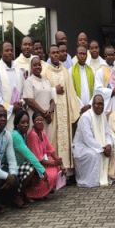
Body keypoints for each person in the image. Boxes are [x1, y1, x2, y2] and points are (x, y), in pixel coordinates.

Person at [42, 45, 80, 174]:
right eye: (53, 53)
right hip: (53, 113)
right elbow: (42, 91)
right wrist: (54, 90)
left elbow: (71, 91)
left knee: (65, 141)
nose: (56, 55)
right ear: (49, 54)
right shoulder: (45, 71)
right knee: (53, 140)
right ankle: (55, 171)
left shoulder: (64, 71)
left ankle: (67, 173)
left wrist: (74, 109)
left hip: (64, 112)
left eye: (58, 52)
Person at [73, 95, 115, 187]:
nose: (100, 106)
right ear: (92, 105)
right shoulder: (86, 117)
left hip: (98, 146)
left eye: (102, 104)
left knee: (113, 151)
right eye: (98, 104)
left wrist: (108, 145)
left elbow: (107, 133)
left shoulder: (103, 115)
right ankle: (91, 181)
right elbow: (87, 139)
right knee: (95, 155)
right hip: (82, 147)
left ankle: (105, 176)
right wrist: (102, 148)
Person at [11, 110, 46, 206]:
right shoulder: (15, 136)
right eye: (22, 122)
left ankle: (24, 193)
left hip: (19, 165)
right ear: (16, 124)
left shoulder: (22, 134)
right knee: (32, 168)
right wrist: (42, 170)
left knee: (34, 168)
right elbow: (29, 155)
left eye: (27, 122)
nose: (26, 125)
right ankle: (18, 194)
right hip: (10, 168)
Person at [0, 41, 24, 130]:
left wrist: (21, 102)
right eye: (6, 50)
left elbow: (23, 91)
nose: (10, 53)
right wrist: (11, 107)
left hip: (19, 115)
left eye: (11, 50)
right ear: (1, 52)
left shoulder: (18, 70)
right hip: (5, 117)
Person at [26, 112, 62, 199]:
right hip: (36, 165)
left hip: (43, 161)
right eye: (37, 120)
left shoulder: (43, 132)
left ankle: (48, 188)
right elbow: (39, 160)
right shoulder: (33, 135)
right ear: (33, 122)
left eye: (41, 120)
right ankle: (37, 192)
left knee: (58, 168)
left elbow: (51, 149)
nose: (39, 122)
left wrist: (60, 163)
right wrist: (55, 163)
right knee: (52, 172)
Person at [23, 56, 56, 140]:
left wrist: (49, 112)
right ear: (31, 67)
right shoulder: (28, 81)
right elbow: (30, 101)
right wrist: (44, 114)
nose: (37, 67)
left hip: (47, 119)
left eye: (39, 65)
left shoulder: (46, 81)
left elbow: (52, 100)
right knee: (36, 143)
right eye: (35, 65)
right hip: (35, 119)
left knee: (47, 143)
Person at [95, 46, 115, 116]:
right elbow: (97, 89)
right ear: (105, 56)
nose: (111, 57)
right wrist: (111, 92)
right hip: (106, 104)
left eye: (112, 54)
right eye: (109, 55)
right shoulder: (100, 71)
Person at [70, 45, 95, 115]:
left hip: (90, 107)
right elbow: (72, 91)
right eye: (80, 53)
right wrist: (81, 106)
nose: (82, 56)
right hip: (78, 108)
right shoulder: (71, 70)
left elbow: (95, 89)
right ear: (76, 55)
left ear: (87, 56)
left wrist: (90, 104)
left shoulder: (91, 70)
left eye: (84, 54)